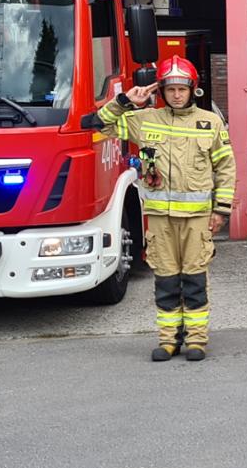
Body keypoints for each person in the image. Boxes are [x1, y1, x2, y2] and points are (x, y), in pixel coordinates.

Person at [96, 56, 236, 361]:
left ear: (192, 89)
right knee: (166, 280)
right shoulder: (144, 119)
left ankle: (196, 340)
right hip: (160, 219)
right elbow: (98, 124)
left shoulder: (210, 123)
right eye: (170, 89)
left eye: (182, 89)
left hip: (197, 219)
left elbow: (226, 168)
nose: (176, 95)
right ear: (161, 91)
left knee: (195, 280)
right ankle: (169, 340)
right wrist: (125, 100)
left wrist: (221, 211)